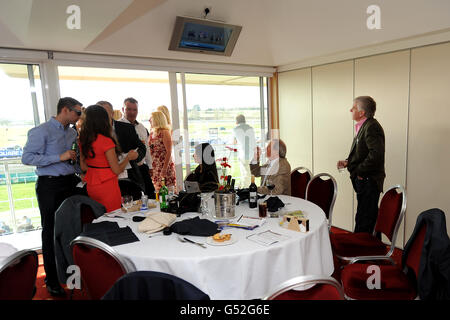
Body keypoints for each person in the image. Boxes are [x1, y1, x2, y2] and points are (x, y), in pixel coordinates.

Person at [22, 97, 83, 296]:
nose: (79, 117)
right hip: (49, 185)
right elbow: (27, 158)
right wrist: (60, 157)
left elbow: (72, 158)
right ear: (65, 110)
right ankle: (52, 280)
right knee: (50, 232)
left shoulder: (73, 132)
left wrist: (77, 164)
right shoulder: (41, 131)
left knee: (75, 228)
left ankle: (74, 274)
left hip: (70, 182)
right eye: (78, 112)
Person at [337, 96, 385, 234]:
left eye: (353, 107)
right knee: (366, 217)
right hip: (365, 180)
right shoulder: (364, 126)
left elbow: (376, 155)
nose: (350, 109)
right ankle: (370, 250)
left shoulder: (371, 127)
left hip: (368, 181)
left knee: (365, 220)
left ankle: (360, 250)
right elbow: (363, 153)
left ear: (362, 112)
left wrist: (359, 172)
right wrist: (348, 162)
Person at [79, 105, 138, 212]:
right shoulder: (106, 141)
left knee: (98, 216)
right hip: (107, 186)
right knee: (114, 216)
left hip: (92, 186)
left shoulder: (83, 139)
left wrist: (98, 168)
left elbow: (83, 166)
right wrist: (128, 158)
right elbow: (116, 170)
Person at [96, 101, 147, 192]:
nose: (101, 116)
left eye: (104, 112)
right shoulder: (93, 132)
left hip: (128, 176)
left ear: (112, 113)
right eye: (98, 113)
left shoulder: (127, 128)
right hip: (104, 179)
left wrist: (137, 155)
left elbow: (142, 147)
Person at [119, 97, 156, 197]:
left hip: (142, 167)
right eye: (128, 109)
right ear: (123, 110)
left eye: (134, 110)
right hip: (128, 170)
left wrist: (150, 166)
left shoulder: (141, 127)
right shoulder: (118, 127)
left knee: (151, 195)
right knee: (134, 199)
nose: (132, 112)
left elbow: (146, 148)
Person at [149, 111, 177, 190]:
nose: (149, 120)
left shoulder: (165, 132)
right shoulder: (152, 133)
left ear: (157, 119)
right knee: (157, 189)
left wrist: (164, 169)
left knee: (167, 189)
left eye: (151, 118)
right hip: (155, 166)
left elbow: (169, 151)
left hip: (163, 165)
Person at [232, 114, 256, 186]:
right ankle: (248, 187)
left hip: (243, 153)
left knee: (245, 173)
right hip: (252, 153)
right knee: (249, 172)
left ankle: (246, 189)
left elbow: (234, 142)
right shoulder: (250, 128)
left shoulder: (235, 129)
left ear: (237, 121)